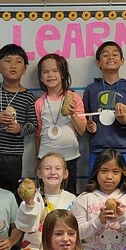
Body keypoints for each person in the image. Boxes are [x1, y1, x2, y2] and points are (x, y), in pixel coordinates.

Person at [0, 44, 37, 194]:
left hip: (13, 155)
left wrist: (20, 129)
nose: (13, 65)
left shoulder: (28, 97)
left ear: (25, 69)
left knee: (11, 190)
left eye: (18, 61)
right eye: (7, 61)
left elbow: (33, 125)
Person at [14, 151, 76, 250]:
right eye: (47, 168)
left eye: (57, 168)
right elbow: (23, 225)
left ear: (65, 174)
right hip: (34, 248)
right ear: (39, 173)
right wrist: (29, 204)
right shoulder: (32, 197)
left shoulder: (72, 199)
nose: (52, 172)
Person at [82, 41, 126, 175]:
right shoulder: (91, 89)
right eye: (105, 55)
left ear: (122, 61)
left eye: (115, 54)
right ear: (98, 63)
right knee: (94, 189)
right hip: (97, 149)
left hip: (122, 149)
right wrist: (89, 127)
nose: (111, 57)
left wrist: (124, 121)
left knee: (124, 189)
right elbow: (84, 120)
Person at [34, 53, 86, 195]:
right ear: (40, 77)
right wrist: (37, 159)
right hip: (45, 157)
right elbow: (38, 133)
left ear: (63, 74)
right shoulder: (39, 103)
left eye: (55, 70)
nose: (50, 75)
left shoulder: (74, 98)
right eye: (45, 72)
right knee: (46, 195)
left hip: (69, 157)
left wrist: (72, 113)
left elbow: (82, 130)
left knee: (69, 194)